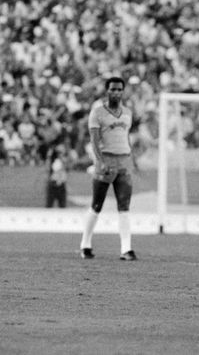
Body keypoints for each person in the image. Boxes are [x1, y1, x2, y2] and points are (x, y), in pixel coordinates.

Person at [80, 77, 137, 261]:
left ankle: (126, 249)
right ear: (107, 91)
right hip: (106, 161)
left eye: (119, 89)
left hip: (124, 162)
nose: (116, 93)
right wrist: (100, 162)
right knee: (97, 204)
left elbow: (125, 137)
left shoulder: (128, 113)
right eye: (113, 89)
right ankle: (85, 244)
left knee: (124, 206)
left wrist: (131, 159)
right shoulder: (97, 113)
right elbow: (94, 141)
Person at [46, 143, 69, 208]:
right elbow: (47, 168)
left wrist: (62, 157)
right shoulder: (52, 160)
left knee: (62, 206)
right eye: (59, 152)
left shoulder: (64, 160)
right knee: (49, 205)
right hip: (53, 184)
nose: (60, 153)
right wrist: (49, 156)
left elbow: (66, 167)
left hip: (62, 185)